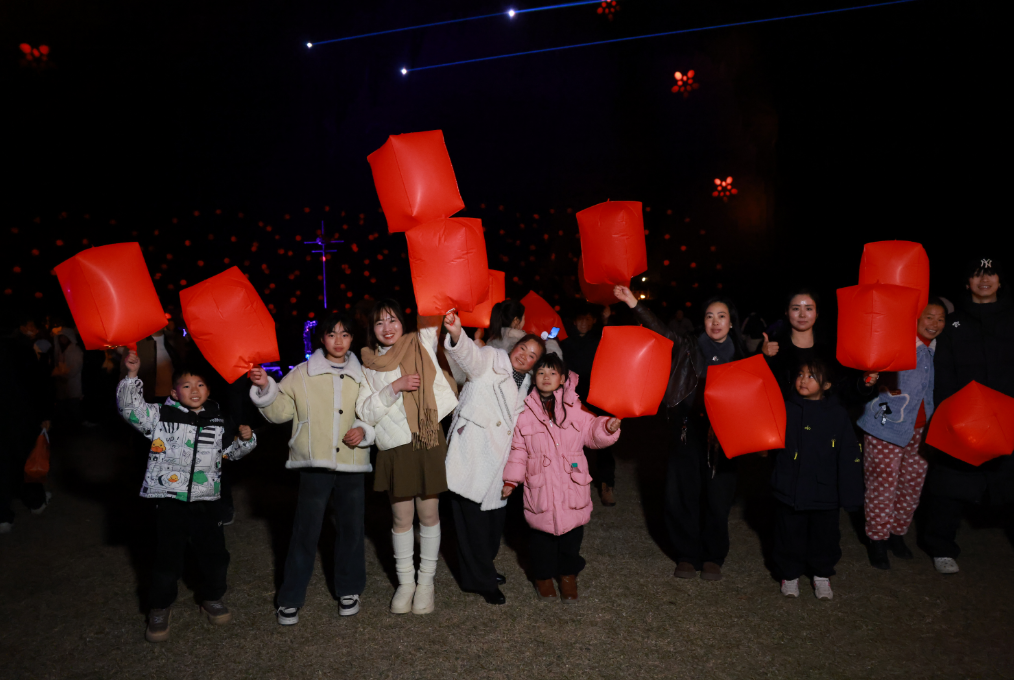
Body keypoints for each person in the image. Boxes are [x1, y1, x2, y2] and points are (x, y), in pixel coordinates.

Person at [117, 357, 257, 642]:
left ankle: (212, 597)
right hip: (171, 500)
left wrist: (246, 440)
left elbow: (230, 453)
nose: (195, 390)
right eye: (187, 385)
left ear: (209, 390)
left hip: (207, 499)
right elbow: (131, 409)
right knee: (167, 558)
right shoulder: (160, 416)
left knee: (215, 555)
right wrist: (131, 374)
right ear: (174, 392)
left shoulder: (218, 418)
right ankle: (160, 606)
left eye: (201, 384)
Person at [249, 312, 376, 624]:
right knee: (305, 530)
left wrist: (364, 429)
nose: (338, 341)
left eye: (344, 334)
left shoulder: (364, 375)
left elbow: (373, 411)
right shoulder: (302, 373)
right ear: (322, 338)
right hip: (313, 461)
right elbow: (279, 412)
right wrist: (265, 387)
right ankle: (291, 596)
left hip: (352, 461)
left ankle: (349, 589)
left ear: (352, 339)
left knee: (351, 528)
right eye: (331, 334)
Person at [616, 287, 749, 581]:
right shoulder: (689, 345)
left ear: (731, 322)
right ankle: (687, 555)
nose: (715, 322)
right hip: (688, 429)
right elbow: (662, 332)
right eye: (710, 316)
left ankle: (713, 556)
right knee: (683, 494)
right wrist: (634, 303)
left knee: (718, 497)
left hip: (724, 435)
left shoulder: (742, 355)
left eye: (722, 316)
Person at [356, 300, 459, 615]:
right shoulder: (367, 363)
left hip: (426, 440)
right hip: (394, 447)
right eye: (379, 322)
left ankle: (426, 583)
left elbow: (431, 315)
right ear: (371, 329)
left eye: (393, 320)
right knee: (401, 519)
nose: (387, 328)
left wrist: (437, 296)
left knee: (428, 515)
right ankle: (405, 583)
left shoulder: (420, 343)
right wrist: (394, 388)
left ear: (403, 322)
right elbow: (364, 411)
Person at [441, 311, 546, 604]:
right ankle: (481, 580)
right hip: (472, 454)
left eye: (532, 356)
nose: (524, 356)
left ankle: (480, 568)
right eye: (523, 348)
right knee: (472, 526)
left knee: (491, 527)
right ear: (514, 347)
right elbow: (469, 357)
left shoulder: (527, 385)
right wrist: (457, 333)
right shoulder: (490, 359)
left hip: (498, 463)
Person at [502, 353, 621, 602]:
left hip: (571, 486)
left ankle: (568, 576)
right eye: (541, 372)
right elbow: (518, 449)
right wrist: (511, 480)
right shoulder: (524, 412)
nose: (546, 377)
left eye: (552, 373)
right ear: (534, 377)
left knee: (572, 538)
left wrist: (607, 427)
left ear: (563, 379)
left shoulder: (574, 407)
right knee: (541, 539)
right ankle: (543, 577)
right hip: (540, 488)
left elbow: (592, 430)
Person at [923, 257, 1014, 575]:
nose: (983, 279)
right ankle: (941, 547)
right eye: (976, 274)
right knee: (950, 483)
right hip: (965, 417)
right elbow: (943, 372)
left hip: (1008, 416)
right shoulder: (952, 324)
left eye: (990, 273)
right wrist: (952, 414)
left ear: (1000, 280)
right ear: (967, 282)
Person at [857, 299, 946, 569]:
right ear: (916, 319)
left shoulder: (937, 349)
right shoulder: (897, 343)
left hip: (921, 430)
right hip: (886, 426)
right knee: (882, 486)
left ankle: (897, 534)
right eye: (929, 317)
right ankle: (877, 540)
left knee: (911, 486)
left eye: (941, 319)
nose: (935, 324)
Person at [770, 359, 863, 600]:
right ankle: (789, 574)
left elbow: (848, 454)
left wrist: (851, 495)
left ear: (827, 385)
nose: (803, 380)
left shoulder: (837, 414)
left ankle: (822, 574)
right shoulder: (785, 408)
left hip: (825, 491)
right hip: (790, 488)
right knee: (789, 534)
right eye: (800, 374)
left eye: (811, 376)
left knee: (825, 537)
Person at [560, 301, 617, 506]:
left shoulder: (599, 339)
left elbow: (614, 340)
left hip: (598, 396)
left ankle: (607, 485)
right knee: (575, 444)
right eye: (580, 319)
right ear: (574, 322)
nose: (583, 323)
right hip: (574, 398)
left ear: (593, 321)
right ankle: (575, 483)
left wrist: (607, 319)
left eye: (587, 319)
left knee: (604, 442)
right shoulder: (565, 341)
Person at [0, 316, 52, 534]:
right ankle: (35, 501)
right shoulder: (22, 350)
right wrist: (44, 414)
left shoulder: (21, 349)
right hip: (22, 416)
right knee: (27, 459)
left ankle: (3, 515)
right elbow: (37, 384)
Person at [481, 299, 563, 358]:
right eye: (524, 317)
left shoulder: (490, 341)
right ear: (516, 321)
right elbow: (551, 364)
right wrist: (552, 343)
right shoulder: (522, 342)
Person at [51, 326, 85, 429]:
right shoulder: (59, 350)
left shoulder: (75, 350)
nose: (63, 339)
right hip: (61, 384)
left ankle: (76, 428)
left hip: (72, 383)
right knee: (63, 408)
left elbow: (76, 367)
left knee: (73, 407)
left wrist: (65, 376)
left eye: (65, 337)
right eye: (61, 337)